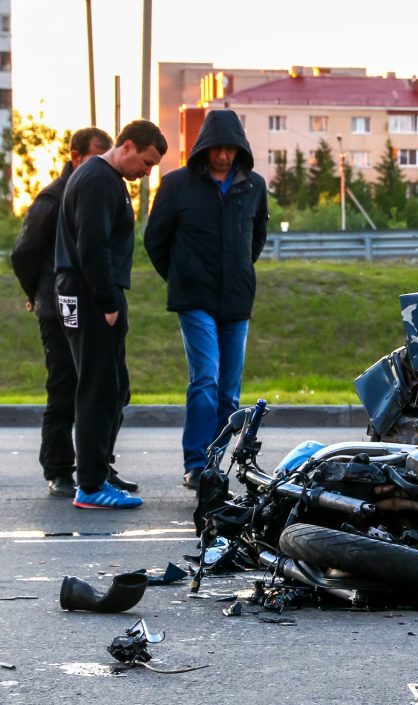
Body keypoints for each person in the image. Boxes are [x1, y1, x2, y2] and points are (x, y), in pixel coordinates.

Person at [144, 109, 268, 490]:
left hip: (236, 300)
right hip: (194, 298)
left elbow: (256, 238)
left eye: (231, 149)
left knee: (230, 391)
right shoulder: (177, 184)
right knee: (206, 380)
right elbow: (155, 240)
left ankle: (214, 464)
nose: (224, 155)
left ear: (240, 150)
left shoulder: (254, 185)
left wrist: (239, 273)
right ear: (205, 148)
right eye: (218, 148)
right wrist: (182, 278)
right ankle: (195, 464)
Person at [55, 119, 167, 509]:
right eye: (148, 162)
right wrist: (106, 303)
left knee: (115, 387)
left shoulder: (104, 179)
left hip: (91, 292)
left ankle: (98, 472)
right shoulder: (100, 180)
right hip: (90, 296)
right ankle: (90, 484)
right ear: (129, 146)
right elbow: (93, 246)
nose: (147, 172)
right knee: (98, 390)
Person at [11, 127, 126, 498]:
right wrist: (36, 294)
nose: (101, 162)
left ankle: (99, 466)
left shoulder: (99, 187)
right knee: (65, 387)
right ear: (75, 156)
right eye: (95, 155)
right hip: (57, 305)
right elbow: (23, 253)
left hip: (82, 301)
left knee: (110, 387)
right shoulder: (51, 198)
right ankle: (60, 469)